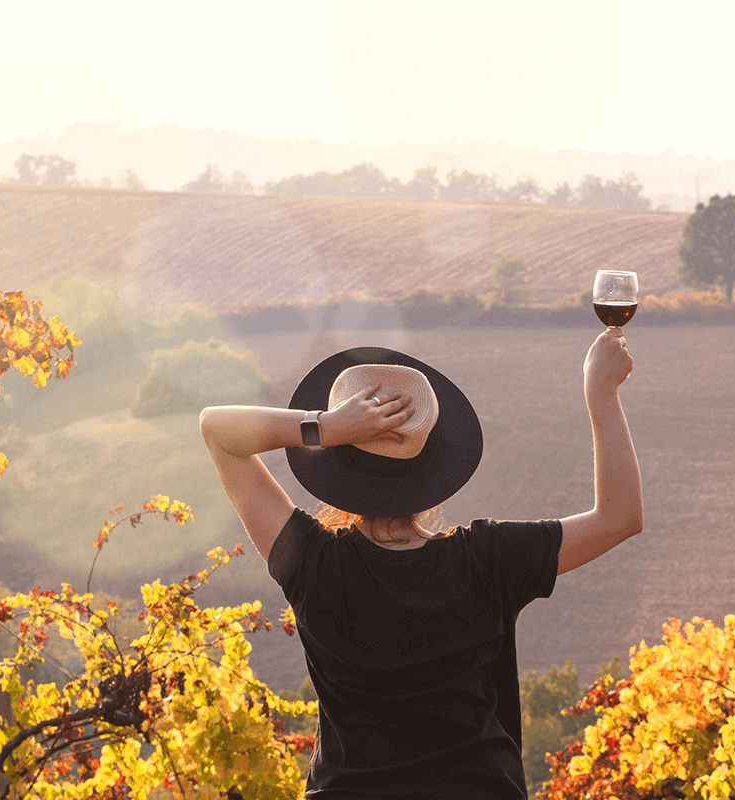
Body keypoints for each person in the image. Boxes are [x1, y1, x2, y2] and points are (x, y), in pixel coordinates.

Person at [199, 328, 642, 799]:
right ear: (435, 457)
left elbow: (217, 430)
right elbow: (620, 516)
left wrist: (327, 427)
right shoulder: (487, 559)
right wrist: (601, 393)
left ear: (339, 467)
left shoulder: (310, 561)